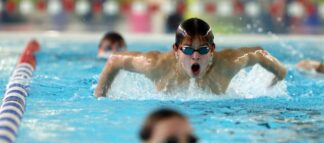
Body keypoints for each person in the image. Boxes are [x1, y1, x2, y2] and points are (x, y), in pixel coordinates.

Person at [94, 18, 286, 97]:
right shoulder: (156, 65)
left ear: (212, 50)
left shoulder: (227, 63)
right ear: (176, 50)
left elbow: (260, 53)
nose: (195, 56)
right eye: (187, 50)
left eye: (202, 50)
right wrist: (101, 99)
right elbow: (114, 60)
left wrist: (277, 76)